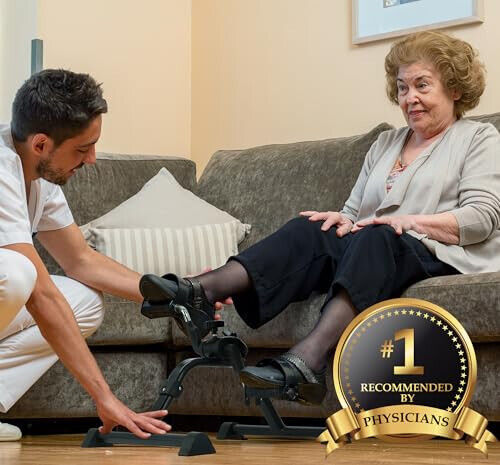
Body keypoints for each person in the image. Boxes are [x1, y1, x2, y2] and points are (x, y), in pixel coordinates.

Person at [141, 30, 499, 405]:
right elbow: (354, 213)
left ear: (454, 89)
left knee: (377, 236)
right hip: (376, 248)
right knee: (312, 227)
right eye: (402, 88)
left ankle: (308, 360)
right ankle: (202, 291)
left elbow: (482, 217)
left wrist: (408, 222)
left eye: (422, 85)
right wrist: (340, 219)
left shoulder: (477, 138)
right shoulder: (386, 143)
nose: (410, 98)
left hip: (439, 252)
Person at [0, 69, 227, 441]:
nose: (91, 159)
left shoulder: (40, 173)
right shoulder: (2, 168)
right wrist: (105, 398)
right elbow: (41, 296)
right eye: (82, 148)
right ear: (41, 143)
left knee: (84, 302)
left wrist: (180, 295)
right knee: (17, 274)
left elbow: (81, 260)